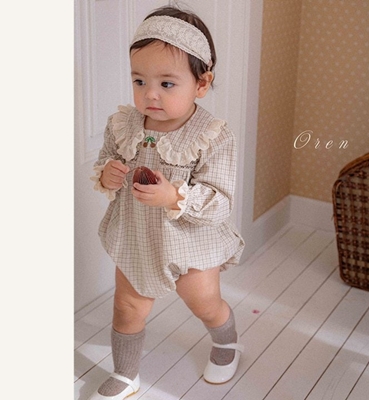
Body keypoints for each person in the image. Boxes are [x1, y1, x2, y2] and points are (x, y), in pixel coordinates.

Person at [89, 5, 245, 399]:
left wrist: (174, 195)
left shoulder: (212, 135)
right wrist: (108, 174)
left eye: (167, 83)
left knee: (205, 303)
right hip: (138, 238)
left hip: (190, 241)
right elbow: (106, 160)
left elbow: (221, 201)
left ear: (202, 84)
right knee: (127, 307)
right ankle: (126, 374)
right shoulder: (123, 124)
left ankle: (227, 343)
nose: (150, 93)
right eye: (139, 80)